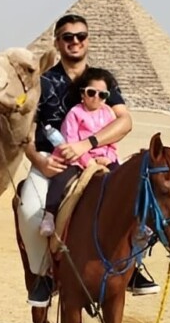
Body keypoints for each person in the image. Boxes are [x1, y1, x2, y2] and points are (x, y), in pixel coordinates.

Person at [17, 13, 158, 307]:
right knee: (30, 211)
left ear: (88, 41)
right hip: (52, 160)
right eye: (68, 37)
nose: (75, 42)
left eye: (81, 36)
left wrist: (87, 143)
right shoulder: (41, 81)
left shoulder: (101, 80)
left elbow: (125, 121)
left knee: (140, 204)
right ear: (57, 42)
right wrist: (38, 161)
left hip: (99, 159)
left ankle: (134, 267)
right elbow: (25, 131)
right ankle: (42, 275)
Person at [39, 68, 120, 237]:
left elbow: (112, 141)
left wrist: (107, 158)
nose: (96, 98)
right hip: (75, 159)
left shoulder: (109, 114)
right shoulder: (75, 113)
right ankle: (49, 215)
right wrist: (87, 161)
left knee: (123, 181)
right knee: (60, 181)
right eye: (91, 93)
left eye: (102, 95)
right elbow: (71, 141)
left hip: (104, 159)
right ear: (83, 93)